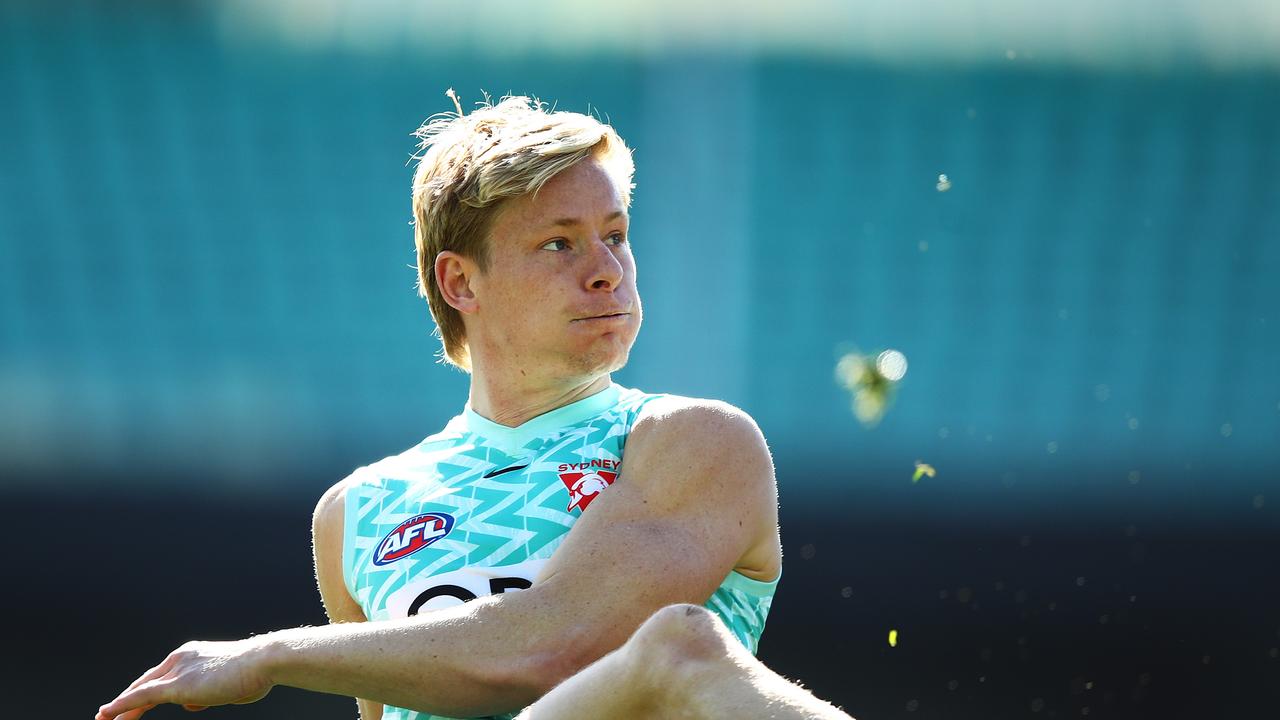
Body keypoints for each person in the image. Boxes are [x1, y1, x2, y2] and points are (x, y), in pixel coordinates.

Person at [96, 95, 852, 720]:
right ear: (460, 283)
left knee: (682, 647)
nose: (606, 271)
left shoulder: (695, 441)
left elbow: (556, 648)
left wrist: (269, 654)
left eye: (615, 235)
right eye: (560, 244)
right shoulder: (355, 512)